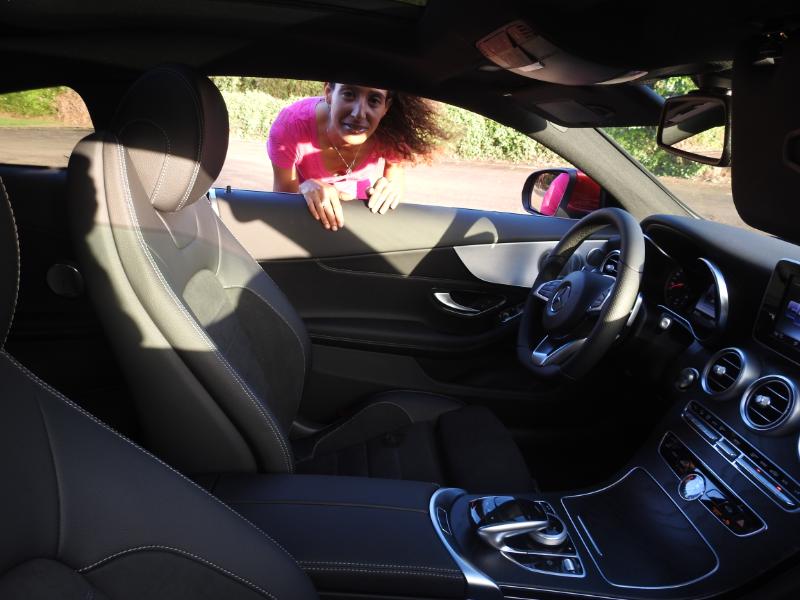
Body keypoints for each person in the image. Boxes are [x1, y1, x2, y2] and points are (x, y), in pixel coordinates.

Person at [268, 82, 446, 231]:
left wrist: (389, 190)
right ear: (329, 93)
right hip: (310, 202)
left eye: (374, 100)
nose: (358, 114)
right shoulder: (290, 126)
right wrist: (303, 188)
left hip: (360, 200)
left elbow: (395, 174)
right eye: (349, 94)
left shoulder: (391, 134)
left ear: (386, 107)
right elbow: (283, 197)